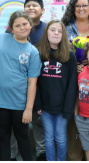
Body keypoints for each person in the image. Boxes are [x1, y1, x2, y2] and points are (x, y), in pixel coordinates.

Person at [0, 11, 42, 161]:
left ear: (30, 25)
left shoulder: (33, 52)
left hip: (19, 103)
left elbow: (32, 82)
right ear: (11, 28)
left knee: (22, 137)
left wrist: (28, 109)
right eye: (17, 25)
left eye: (25, 24)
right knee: (2, 136)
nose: (22, 28)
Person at [61, 0, 89, 161]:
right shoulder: (65, 27)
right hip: (71, 78)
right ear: (73, 8)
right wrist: (73, 65)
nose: (81, 9)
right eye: (77, 6)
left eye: (84, 5)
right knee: (74, 120)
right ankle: (74, 157)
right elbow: (60, 51)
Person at [5, 0, 47, 160]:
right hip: (18, 83)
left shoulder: (47, 28)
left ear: (42, 10)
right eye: (27, 6)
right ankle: (12, 155)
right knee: (16, 121)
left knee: (38, 120)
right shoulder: (11, 30)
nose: (31, 8)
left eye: (34, 6)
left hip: (40, 80)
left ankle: (41, 152)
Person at [34, 20, 78, 161]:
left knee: (60, 138)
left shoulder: (69, 55)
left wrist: (68, 108)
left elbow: (72, 84)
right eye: (53, 30)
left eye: (59, 31)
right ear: (46, 32)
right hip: (45, 107)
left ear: (63, 35)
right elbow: (35, 82)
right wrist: (37, 104)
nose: (56, 33)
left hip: (62, 108)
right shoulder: (38, 53)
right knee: (48, 138)